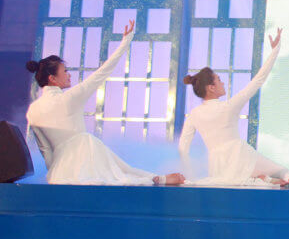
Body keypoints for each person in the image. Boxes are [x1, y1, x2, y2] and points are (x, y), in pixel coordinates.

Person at [26, 20, 184, 186]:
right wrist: (126, 41)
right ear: (52, 78)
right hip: (86, 159)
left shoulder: (33, 111)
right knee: (114, 165)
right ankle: (157, 179)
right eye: (65, 71)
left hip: (60, 172)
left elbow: (46, 152)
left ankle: (156, 178)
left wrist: (56, 174)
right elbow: (103, 71)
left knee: (115, 167)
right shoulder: (69, 98)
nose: (69, 75)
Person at [179, 29, 289, 188]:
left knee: (242, 177)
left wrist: (188, 173)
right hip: (241, 157)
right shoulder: (227, 107)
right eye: (219, 80)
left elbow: (183, 147)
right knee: (282, 170)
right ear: (211, 88)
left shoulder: (194, 114)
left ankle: (261, 179)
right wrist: (275, 50)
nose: (222, 83)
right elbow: (258, 80)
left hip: (218, 167)